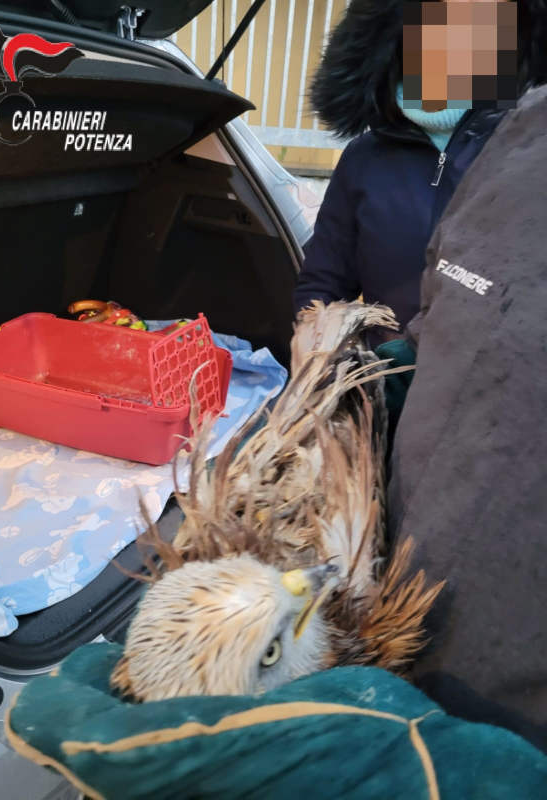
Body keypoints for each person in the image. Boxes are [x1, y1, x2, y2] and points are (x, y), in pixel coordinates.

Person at [388, 1, 547, 751]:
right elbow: (445, 291)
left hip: (513, 720)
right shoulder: (526, 130)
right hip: (393, 619)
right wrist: (398, 363)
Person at [294, 0, 508, 345]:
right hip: (384, 369)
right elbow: (324, 282)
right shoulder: (364, 157)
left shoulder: (524, 152)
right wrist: (317, 346)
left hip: (491, 373)